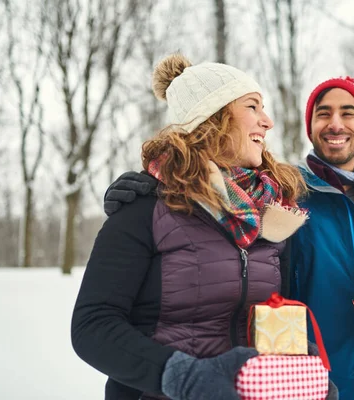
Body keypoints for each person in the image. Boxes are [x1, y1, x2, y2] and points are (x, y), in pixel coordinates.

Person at [104, 76, 354, 400]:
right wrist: (155, 184)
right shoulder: (278, 196)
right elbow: (214, 199)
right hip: (307, 386)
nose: (335, 123)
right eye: (324, 114)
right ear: (310, 128)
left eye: (348, 112)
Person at [71, 53, 340, 400]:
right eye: (253, 107)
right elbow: (93, 327)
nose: (268, 121)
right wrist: (185, 378)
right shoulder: (144, 209)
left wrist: (307, 371)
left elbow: (274, 312)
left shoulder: (269, 217)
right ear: (214, 117)